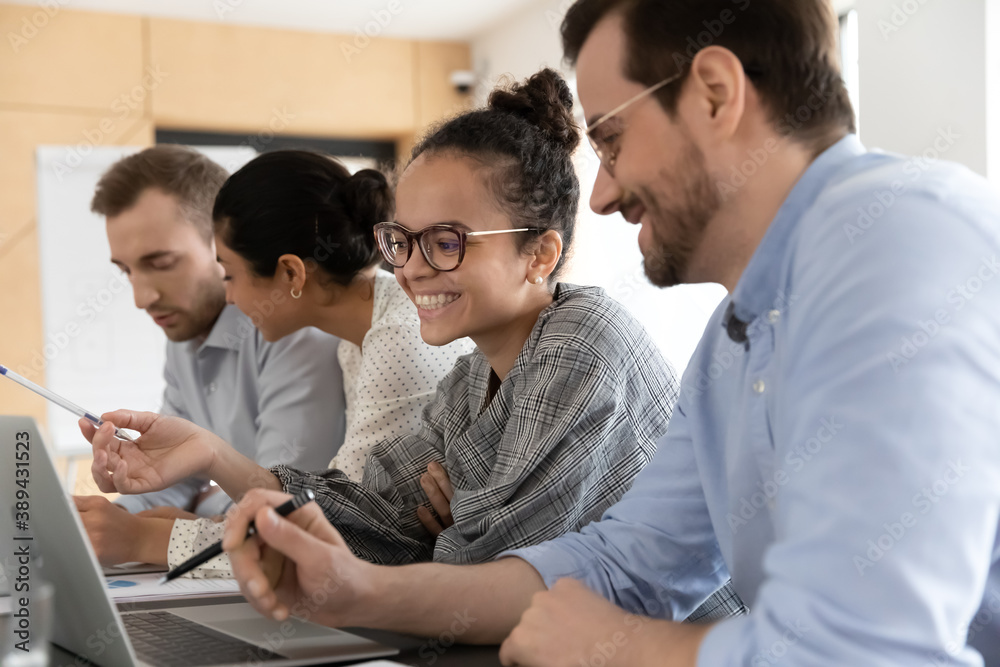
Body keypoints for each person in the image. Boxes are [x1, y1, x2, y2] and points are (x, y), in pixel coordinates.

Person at [212, 1, 998, 665]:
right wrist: (359, 588)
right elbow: (626, 561)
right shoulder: (734, 340)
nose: (601, 194)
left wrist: (626, 645)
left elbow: (871, 647)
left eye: (613, 140)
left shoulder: (897, 236)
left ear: (717, 94)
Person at [87, 70, 742, 619]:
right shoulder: (465, 383)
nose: (412, 268)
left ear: (539, 253)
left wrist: (447, 531)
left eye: (447, 240)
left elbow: (502, 574)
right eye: (402, 240)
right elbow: (373, 515)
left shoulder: (582, 342)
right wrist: (206, 450)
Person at [152, 149, 474, 576]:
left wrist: (152, 540)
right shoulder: (356, 340)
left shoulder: (398, 338)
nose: (228, 297)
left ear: (290, 274)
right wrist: (201, 525)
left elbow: (336, 528)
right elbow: (339, 504)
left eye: (230, 274)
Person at [75, 145, 347, 567]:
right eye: (126, 270)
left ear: (223, 244)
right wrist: (101, 521)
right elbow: (174, 480)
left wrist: (190, 511)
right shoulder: (183, 334)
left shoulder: (295, 325)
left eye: (161, 262)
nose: (141, 297)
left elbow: (285, 506)